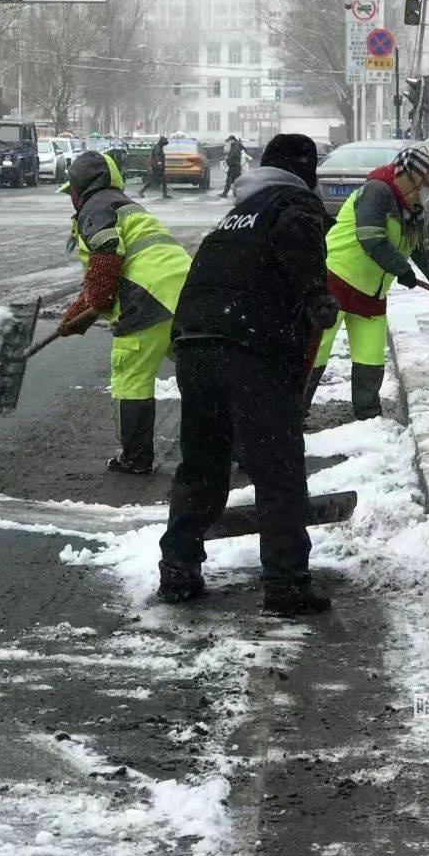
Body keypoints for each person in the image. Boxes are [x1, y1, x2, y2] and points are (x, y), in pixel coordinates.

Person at [157, 133, 339, 615]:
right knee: (276, 466)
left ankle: (178, 569)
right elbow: (298, 241)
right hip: (250, 346)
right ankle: (286, 584)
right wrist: (314, 297)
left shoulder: (237, 213)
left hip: (195, 345)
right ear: (306, 171)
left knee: (203, 463)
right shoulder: (294, 203)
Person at [306, 145, 429, 421]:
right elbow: (371, 238)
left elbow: (423, 250)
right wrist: (401, 269)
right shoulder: (376, 192)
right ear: (410, 178)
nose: (428, 193)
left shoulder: (413, 210)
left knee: (370, 357)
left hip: (372, 293)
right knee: (315, 350)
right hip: (335, 282)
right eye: (426, 185)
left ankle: (368, 417)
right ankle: (293, 412)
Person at [59, 151, 192, 473]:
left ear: (80, 187)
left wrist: (98, 303)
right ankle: (226, 444)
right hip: (186, 291)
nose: (71, 199)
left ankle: (135, 458)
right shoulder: (123, 205)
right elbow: (103, 276)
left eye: (71, 191)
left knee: (132, 376)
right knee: (199, 375)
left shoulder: (96, 207)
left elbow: (106, 255)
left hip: (147, 297)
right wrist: (76, 314)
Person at [221, 134, 246, 198]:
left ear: (232, 140)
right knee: (238, 181)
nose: (229, 142)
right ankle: (240, 194)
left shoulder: (235, 145)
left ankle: (225, 194)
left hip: (234, 165)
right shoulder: (237, 145)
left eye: (229, 140)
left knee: (229, 180)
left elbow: (233, 154)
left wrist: (227, 159)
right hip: (237, 165)